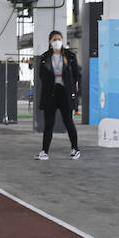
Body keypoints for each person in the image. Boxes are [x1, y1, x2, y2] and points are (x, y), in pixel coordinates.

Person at [34, 30, 81, 161]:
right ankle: (44, 151)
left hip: (65, 92)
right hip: (51, 93)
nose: (57, 41)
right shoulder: (45, 57)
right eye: (54, 39)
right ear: (50, 42)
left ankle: (75, 149)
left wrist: (75, 87)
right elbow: (41, 75)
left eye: (59, 39)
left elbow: (77, 74)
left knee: (68, 121)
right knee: (49, 123)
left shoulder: (70, 56)